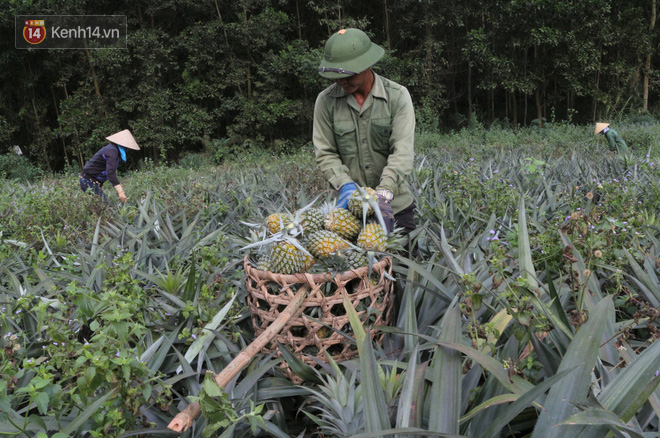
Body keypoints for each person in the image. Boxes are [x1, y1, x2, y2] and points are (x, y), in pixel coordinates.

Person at [313, 28, 416, 241]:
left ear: (367, 64)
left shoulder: (397, 96)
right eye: (336, 76)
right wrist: (345, 184)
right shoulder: (325, 102)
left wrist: (384, 192)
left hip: (395, 206)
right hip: (349, 214)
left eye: (348, 74)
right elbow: (325, 152)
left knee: (405, 270)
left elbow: (402, 150)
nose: (341, 81)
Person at [80, 129, 140, 203]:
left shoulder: (113, 149)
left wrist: (118, 185)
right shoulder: (112, 151)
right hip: (88, 181)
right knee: (107, 208)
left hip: (90, 181)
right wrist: (120, 191)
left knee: (98, 208)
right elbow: (110, 172)